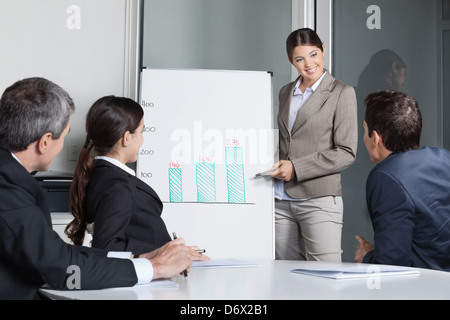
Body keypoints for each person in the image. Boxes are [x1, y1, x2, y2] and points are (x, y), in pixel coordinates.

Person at [0, 77, 208, 300]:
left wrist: (138, 258)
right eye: (66, 134)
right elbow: (62, 269)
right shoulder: (7, 185)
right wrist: (154, 268)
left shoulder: (11, 176)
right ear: (45, 141)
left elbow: (58, 255)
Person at [270, 28, 358, 261]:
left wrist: (296, 168)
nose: (309, 64)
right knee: (284, 279)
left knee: (326, 278)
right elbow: (284, 141)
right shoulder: (285, 92)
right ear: (291, 61)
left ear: (323, 51)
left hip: (318, 199)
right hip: (280, 201)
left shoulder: (342, 92)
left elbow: (346, 153)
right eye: (300, 59)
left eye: (314, 54)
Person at [354, 90, 450, 271]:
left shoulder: (385, 177)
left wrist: (366, 256)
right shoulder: (443, 157)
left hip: (423, 288)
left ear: (376, 138)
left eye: (365, 131)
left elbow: (392, 263)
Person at [65, 96, 171, 255]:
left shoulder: (103, 175)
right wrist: (161, 253)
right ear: (127, 137)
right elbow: (107, 246)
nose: (142, 140)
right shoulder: (116, 184)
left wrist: (175, 252)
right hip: (150, 274)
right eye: (141, 132)